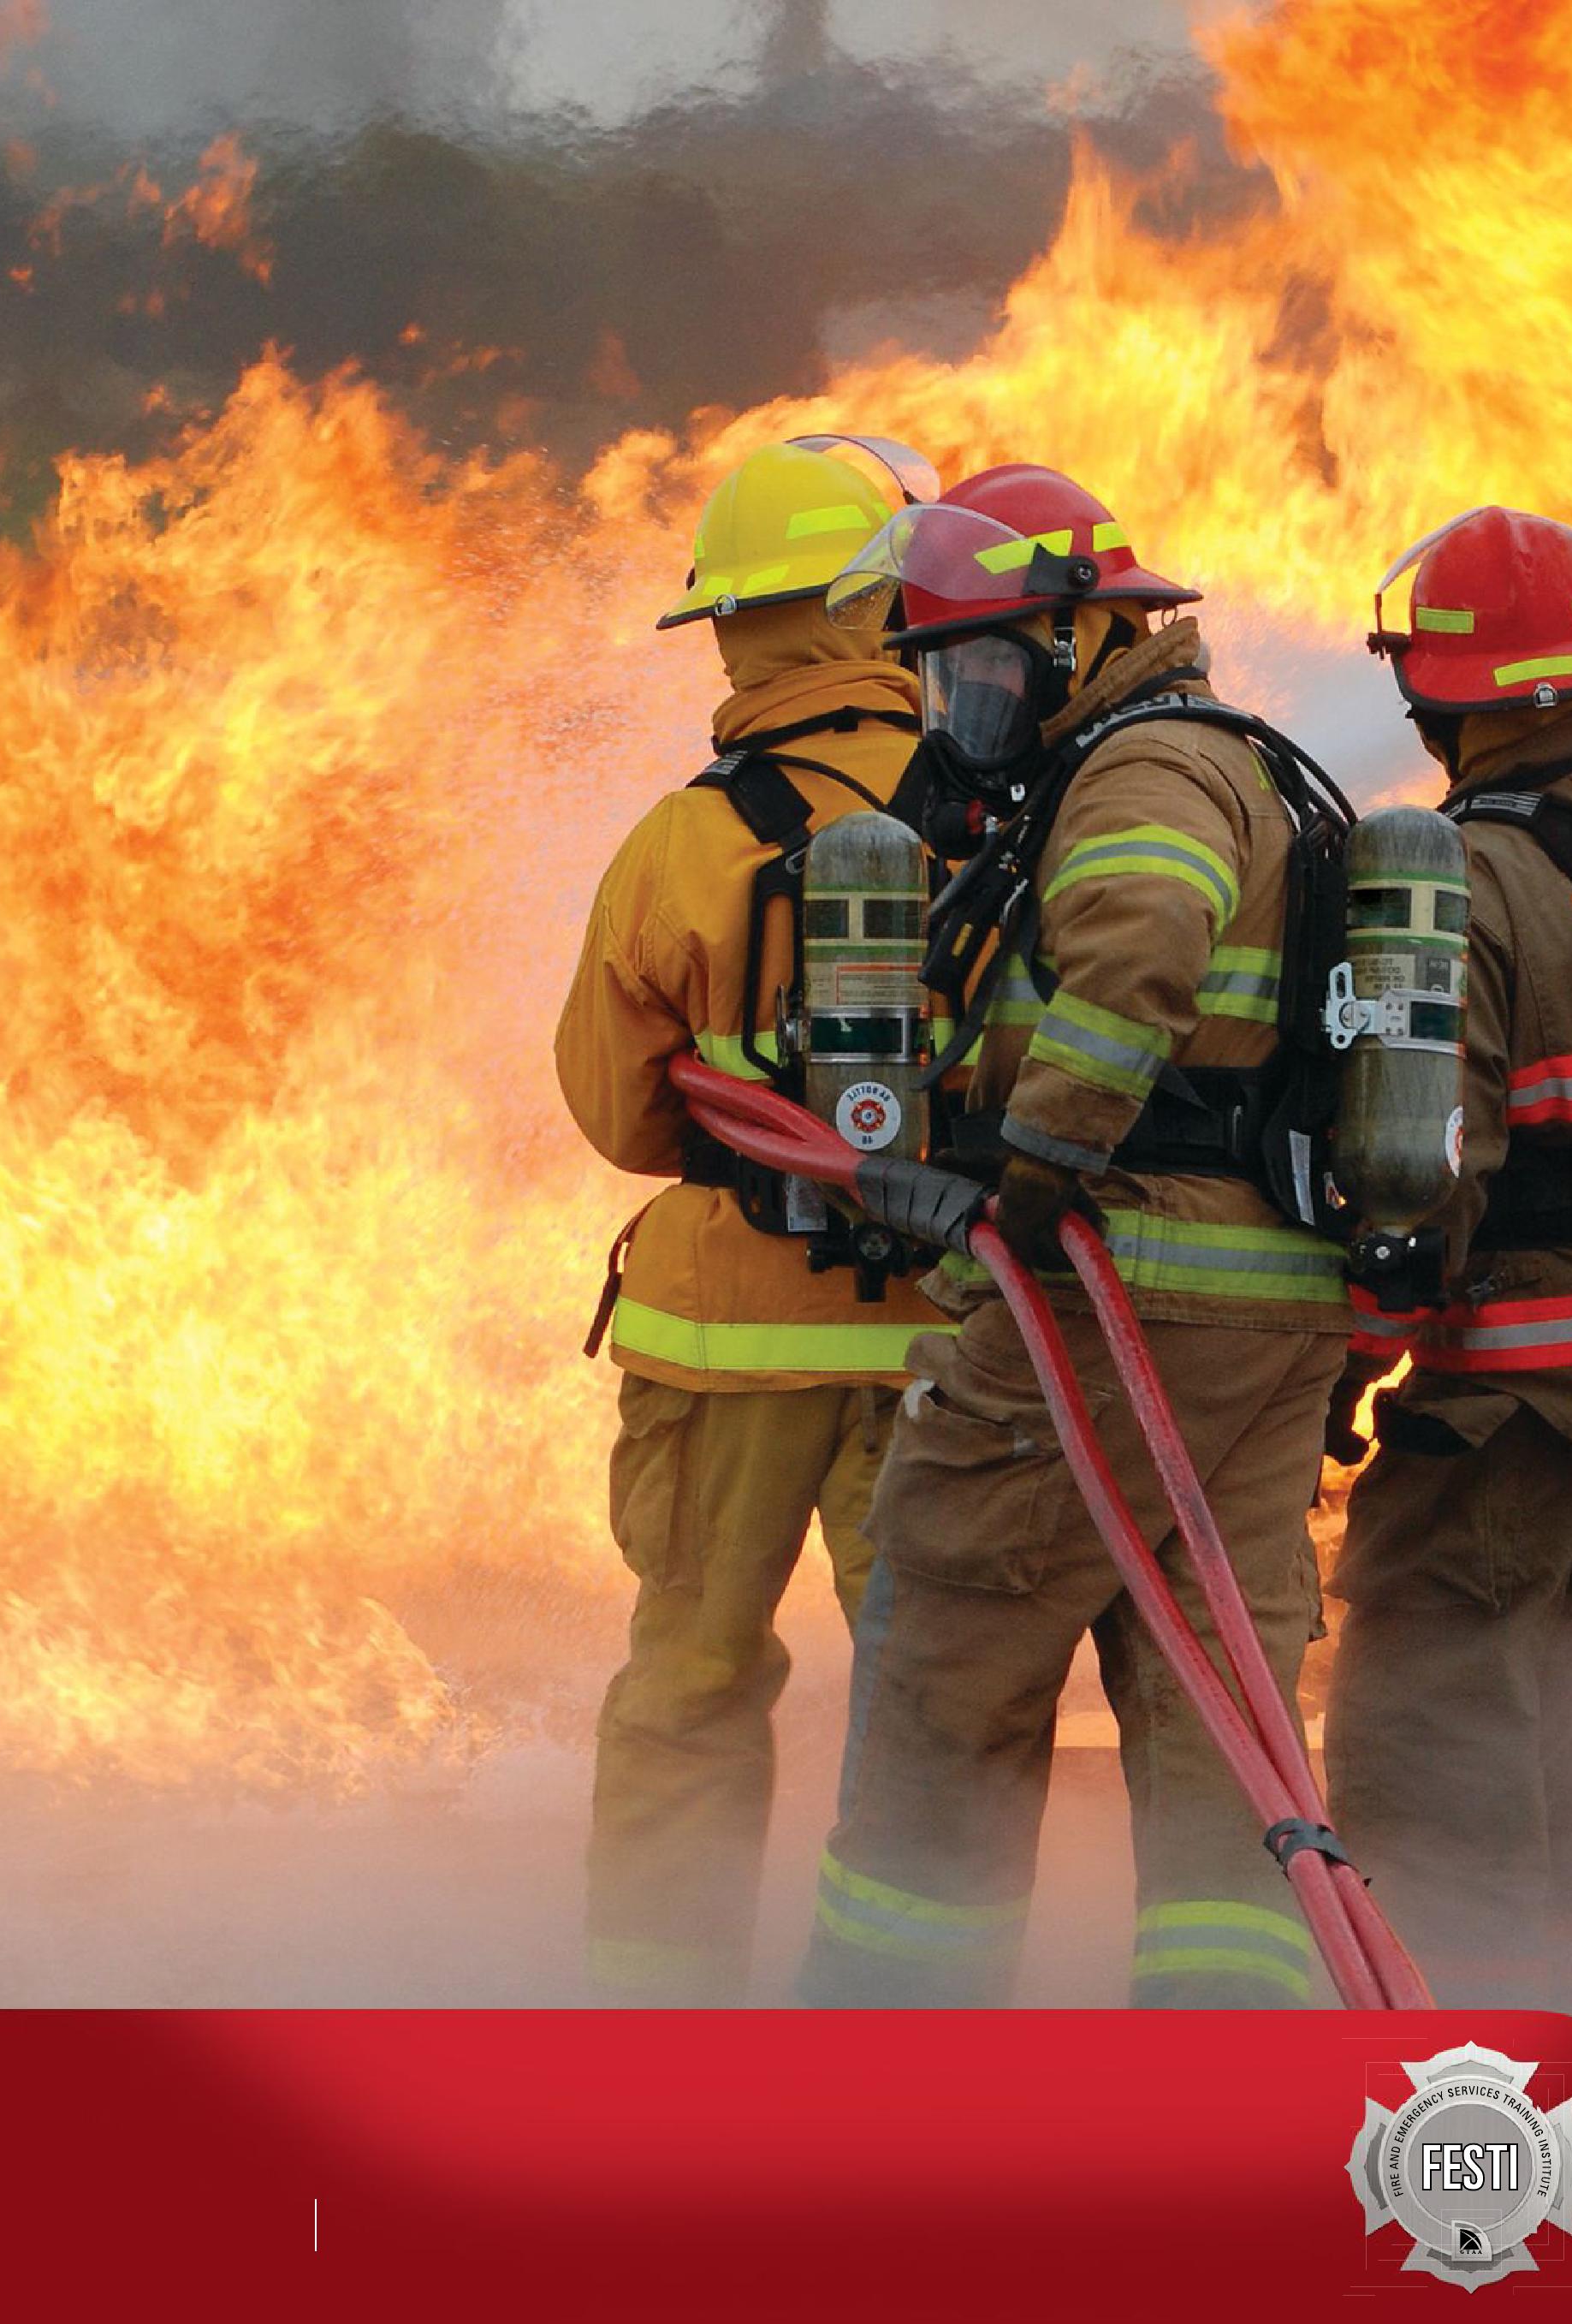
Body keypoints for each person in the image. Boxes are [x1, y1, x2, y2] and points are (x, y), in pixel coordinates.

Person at [798, 463, 1356, 2008]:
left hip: (1127, 1282)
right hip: (1258, 1302)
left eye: (983, 667)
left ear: (1079, 636)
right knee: (1213, 1692)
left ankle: (889, 2033)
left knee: (948, 1626)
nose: (963, 708)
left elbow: (1139, 954)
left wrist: (1028, 1172)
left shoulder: (1143, 768)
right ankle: (1226, 2050)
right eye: (943, 678)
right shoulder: (1214, 756)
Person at [555, 436, 945, 2005]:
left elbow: (617, 1110)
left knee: (692, 1680)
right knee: (931, 1697)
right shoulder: (1015, 810)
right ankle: (913, 2016)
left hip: (725, 1342)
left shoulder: (686, 837)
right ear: (886, 602)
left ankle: (658, 2014)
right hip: (949, 1335)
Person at [1325, 505, 1572, 2018]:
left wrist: (1344, 1360)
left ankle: (1454, 2083)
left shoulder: (1454, 877)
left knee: (1431, 1738)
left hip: (1525, 1402)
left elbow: (1425, 1170)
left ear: (1439, 697)